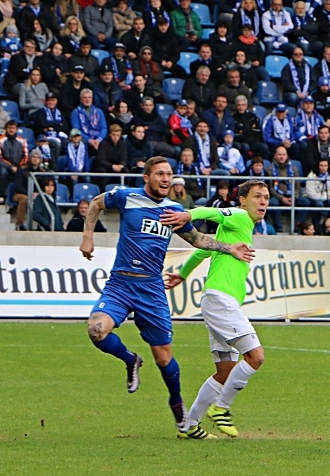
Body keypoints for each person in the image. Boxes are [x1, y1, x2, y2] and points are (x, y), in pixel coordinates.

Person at [78, 157, 254, 439]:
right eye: (160, 173)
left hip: (151, 290)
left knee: (163, 359)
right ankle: (130, 360)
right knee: (96, 330)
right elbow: (97, 203)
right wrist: (88, 236)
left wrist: (227, 247)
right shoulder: (127, 197)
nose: (165, 179)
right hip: (121, 283)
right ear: (146, 176)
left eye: (169, 174)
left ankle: (179, 410)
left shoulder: (173, 211)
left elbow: (198, 240)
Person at [168, 180, 271, 439]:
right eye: (257, 197)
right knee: (256, 357)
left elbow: (203, 252)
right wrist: (187, 214)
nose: (263, 202)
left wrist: (182, 274)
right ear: (242, 201)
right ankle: (221, 408)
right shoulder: (238, 216)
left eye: (266, 198)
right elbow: (210, 211)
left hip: (219, 302)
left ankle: (189, 425)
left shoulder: (237, 231)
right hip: (221, 301)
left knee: (225, 372)